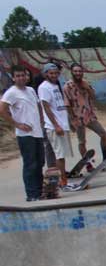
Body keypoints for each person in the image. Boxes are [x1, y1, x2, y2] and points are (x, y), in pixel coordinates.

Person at [1, 65, 46, 201]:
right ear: (13, 78)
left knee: (40, 162)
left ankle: (39, 191)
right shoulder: (12, 92)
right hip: (25, 135)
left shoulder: (31, 90)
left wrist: (42, 120)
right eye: (18, 76)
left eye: (23, 75)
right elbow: (2, 110)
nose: (21, 78)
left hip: (37, 132)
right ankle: (32, 194)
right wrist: (17, 124)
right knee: (30, 164)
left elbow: (38, 105)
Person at [63, 62, 106, 170]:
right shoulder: (67, 86)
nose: (78, 73)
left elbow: (93, 96)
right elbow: (67, 104)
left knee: (104, 135)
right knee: (82, 141)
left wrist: (88, 88)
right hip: (77, 117)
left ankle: (105, 160)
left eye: (80, 71)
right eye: (75, 71)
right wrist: (72, 119)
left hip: (89, 115)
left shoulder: (85, 83)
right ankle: (88, 165)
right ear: (72, 72)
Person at [37, 62, 72, 186]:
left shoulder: (55, 85)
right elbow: (45, 107)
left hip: (62, 125)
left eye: (56, 73)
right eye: (51, 73)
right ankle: (62, 181)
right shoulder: (44, 87)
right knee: (59, 155)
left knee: (62, 155)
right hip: (54, 127)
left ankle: (62, 178)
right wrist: (56, 125)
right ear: (46, 74)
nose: (54, 75)